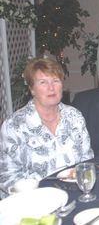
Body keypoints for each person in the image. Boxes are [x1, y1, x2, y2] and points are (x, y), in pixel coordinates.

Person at [0, 58, 93, 198]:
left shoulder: (74, 117)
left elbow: (87, 158)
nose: (51, 88)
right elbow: (7, 176)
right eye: (43, 82)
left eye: (55, 81)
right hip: (33, 199)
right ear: (32, 89)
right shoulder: (14, 125)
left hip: (76, 191)